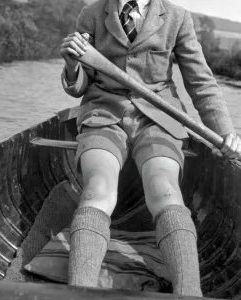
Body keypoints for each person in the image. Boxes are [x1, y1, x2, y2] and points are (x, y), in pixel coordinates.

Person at [60, 0, 241, 296]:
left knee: (165, 189)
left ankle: (189, 293)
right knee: (97, 190)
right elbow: (78, 85)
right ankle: (78, 292)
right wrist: (71, 65)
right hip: (104, 114)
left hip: (158, 119)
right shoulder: (91, 14)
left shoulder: (177, 18)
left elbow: (201, 83)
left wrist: (226, 132)